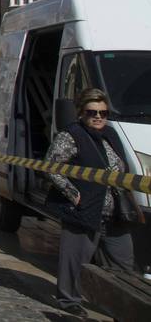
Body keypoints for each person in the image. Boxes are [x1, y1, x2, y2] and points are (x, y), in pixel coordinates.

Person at [45, 87, 143, 316]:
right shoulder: (70, 135)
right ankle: (69, 301)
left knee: (123, 261)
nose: (98, 117)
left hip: (115, 212)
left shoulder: (111, 134)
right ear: (81, 112)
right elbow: (51, 167)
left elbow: (121, 169)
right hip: (84, 209)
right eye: (92, 112)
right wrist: (73, 193)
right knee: (75, 260)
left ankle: (122, 303)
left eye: (103, 112)